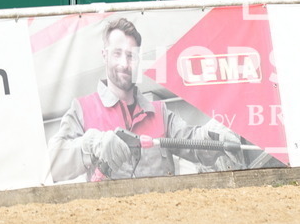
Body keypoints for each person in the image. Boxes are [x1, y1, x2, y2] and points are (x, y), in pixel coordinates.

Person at [48, 16, 242, 182]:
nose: (124, 63)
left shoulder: (160, 113)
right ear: (104, 55)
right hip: (108, 221)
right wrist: (92, 145)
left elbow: (194, 144)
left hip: (161, 218)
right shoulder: (83, 109)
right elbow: (53, 165)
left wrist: (213, 135)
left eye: (131, 56)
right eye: (117, 54)